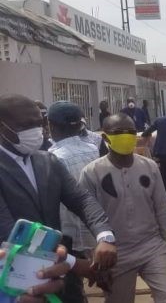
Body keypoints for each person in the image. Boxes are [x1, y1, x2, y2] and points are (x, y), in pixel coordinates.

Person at [0, 94, 117, 301]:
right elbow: (7, 229)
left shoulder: (48, 161)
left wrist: (105, 236)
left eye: (40, 123)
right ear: (2, 128)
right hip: (15, 281)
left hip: (58, 274)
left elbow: (82, 199)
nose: (37, 131)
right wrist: (75, 263)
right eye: (27, 125)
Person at [79, 114, 166, 303]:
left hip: (152, 246)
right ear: (105, 137)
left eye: (131, 131)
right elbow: (85, 220)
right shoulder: (92, 173)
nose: (126, 136)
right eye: (119, 132)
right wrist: (95, 260)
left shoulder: (149, 167)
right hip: (115, 254)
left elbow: (162, 211)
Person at [47, 101, 101, 302]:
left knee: (72, 286)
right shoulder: (95, 149)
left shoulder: (51, 158)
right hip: (97, 228)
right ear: (80, 125)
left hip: (68, 233)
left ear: (51, 126)